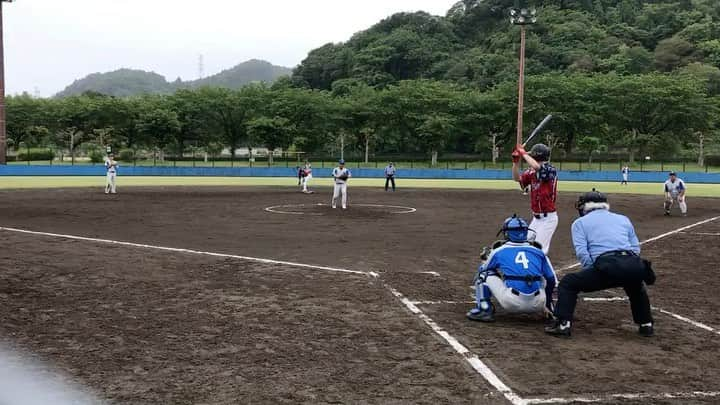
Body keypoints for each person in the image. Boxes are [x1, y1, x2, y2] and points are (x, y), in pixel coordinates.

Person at [545, 189, 656, 338]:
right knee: (635, 285)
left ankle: (563, 324)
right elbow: (635, 248)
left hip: (607, 264)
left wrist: (595, 272)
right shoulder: (623, 219)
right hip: (633, 263)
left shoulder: (579, 223)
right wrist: (626, 267)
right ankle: (646, 324)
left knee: (568, 283)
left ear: (585, 206)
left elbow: (582, 253)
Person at [467, 215, 557, 323]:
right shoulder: (539, 251)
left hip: (512, 303)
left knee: (483, 273)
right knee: (543, 276)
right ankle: (550, 307)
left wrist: (485, 259)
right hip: (538, 303)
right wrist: (546, 301)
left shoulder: (499, 251)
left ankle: (484, 309)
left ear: (506, 233)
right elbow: (551, 279)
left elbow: (485, 269)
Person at [511, 143, 558, 254]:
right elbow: (516, 178)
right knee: (526, 245)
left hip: (548, 218)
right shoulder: (531, 171)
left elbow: (538, 168)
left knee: (539, 250)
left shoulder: (549, 169)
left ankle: (543, 271)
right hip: (536, 219)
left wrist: (522, 152)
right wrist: (515, 162)